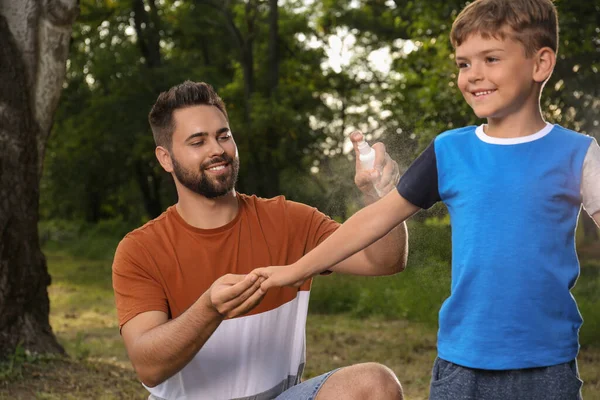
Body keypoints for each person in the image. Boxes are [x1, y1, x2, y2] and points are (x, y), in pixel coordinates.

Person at [252, 0, 600, 399]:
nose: (473, 75)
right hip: (462, 365)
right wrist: (295, 270)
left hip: (547, 367)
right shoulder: (450, 151)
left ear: (540, 63)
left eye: (490, 58)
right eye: (463, 64)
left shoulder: (578, 152)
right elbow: (374, 220)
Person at [111, 80, 409, 400]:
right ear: (165, 157)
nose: (217, 149)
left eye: (223, 136)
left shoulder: (287, 220)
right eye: (198, 141)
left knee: (375, 384)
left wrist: (378, 194)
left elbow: (386, 260)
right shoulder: (140, 249)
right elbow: (148, 367)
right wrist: (209, 310)